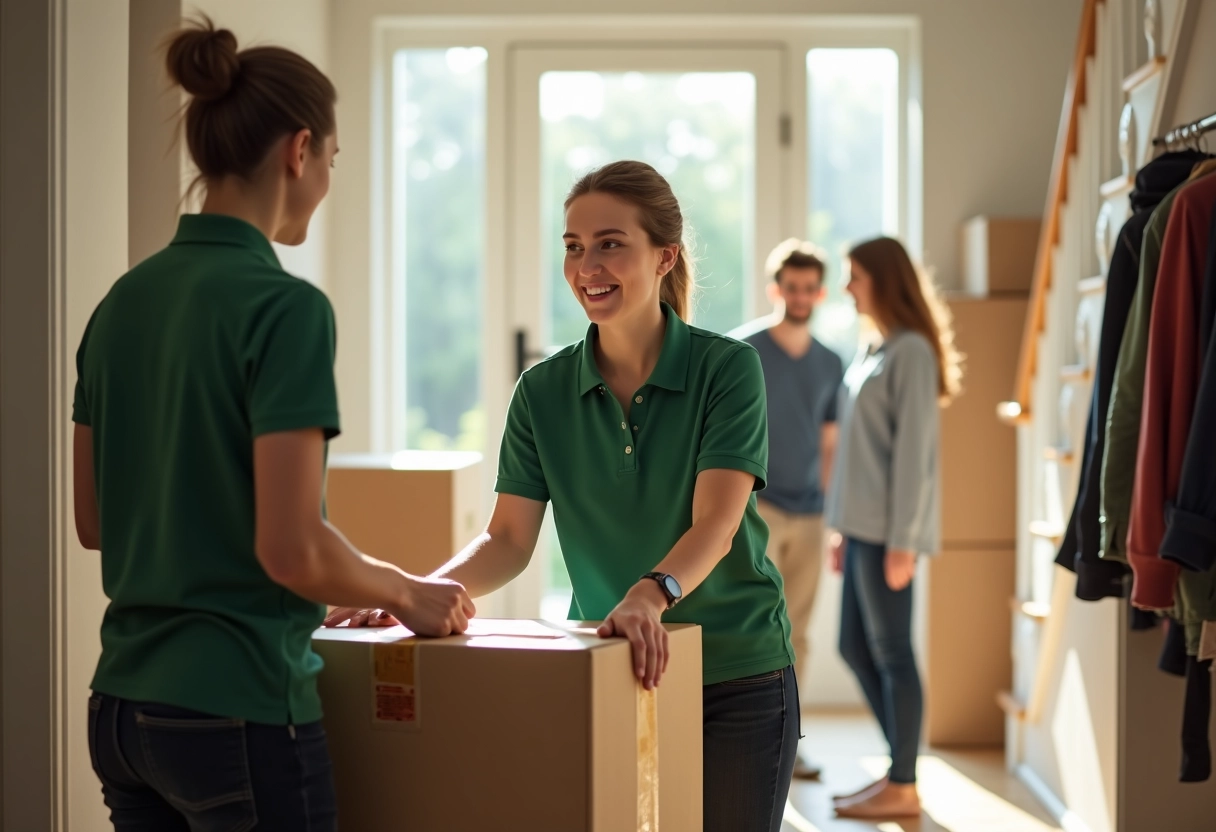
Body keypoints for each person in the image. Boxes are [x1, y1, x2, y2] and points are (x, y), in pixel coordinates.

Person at [71, 19, 472, 831]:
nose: (326, 181)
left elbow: (97, 522)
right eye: (332, 160)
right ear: (300, 151)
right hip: (237, 709)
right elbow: (291, 549)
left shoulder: (122, 303)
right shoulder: (285, 309)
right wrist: (407, 592)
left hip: (121, 712)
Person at [327, 160, 798, 831]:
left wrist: (650, 594)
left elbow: (717, 523)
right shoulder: (542, 392)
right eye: (574, 247)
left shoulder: (726, 368)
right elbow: (508, 540)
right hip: (613, 666)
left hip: (737, 674)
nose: (587, 267)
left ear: (664, 257)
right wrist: (415, 595)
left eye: (610, 243)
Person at [824, 236, 961, 820]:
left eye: (854, 276)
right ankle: (898, 767)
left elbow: (914, 459)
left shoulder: (911, 353)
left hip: (887, 534)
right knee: (853, 646)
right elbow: (854, 452)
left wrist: (904, 541)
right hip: (859, 529)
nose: (847, 287)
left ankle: (904, 782)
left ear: (883, 280)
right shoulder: (872, 350)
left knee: (892, 652)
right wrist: (839, 528)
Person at [740, 239, 844, 782]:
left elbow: (830, 444)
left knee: (795, 633)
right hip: (755, 508)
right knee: (750, 626)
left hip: (809, 514)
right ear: (774, 289)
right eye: (791, 287)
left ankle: (789, 745)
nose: (800, 296)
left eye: (809, 288)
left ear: (820, 293)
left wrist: (831, 517)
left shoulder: (830, 362)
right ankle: (738, 740)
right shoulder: (744, 351)